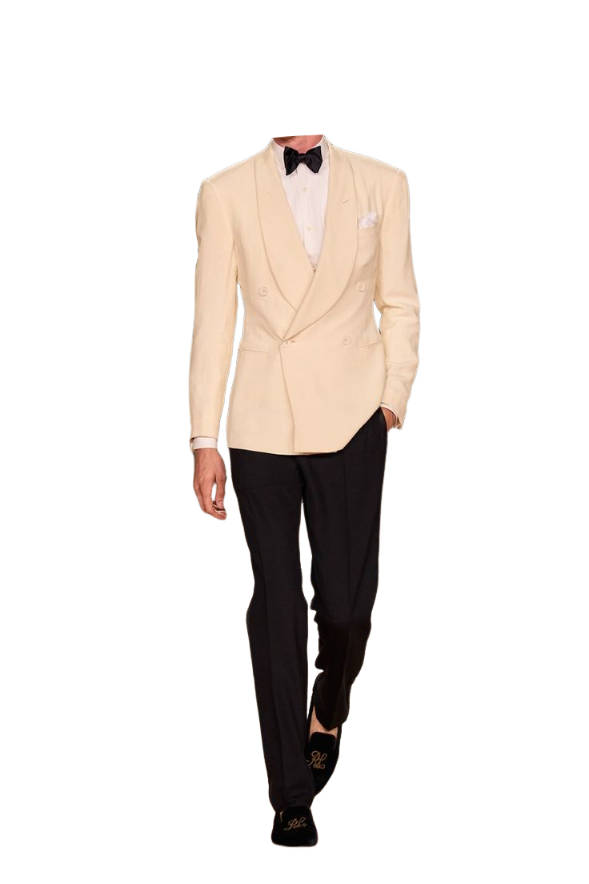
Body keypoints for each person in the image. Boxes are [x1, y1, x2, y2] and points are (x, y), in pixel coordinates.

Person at [188, 135, 420, 848]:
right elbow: (211, 321)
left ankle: (328, 710)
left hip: (352, 415)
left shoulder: (382, 181)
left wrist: (390, 400)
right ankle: (290, 793)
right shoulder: (225, 189)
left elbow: (398, 299)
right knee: (279, 605)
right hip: (261, 420)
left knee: (347, 606)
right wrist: (204, 439)